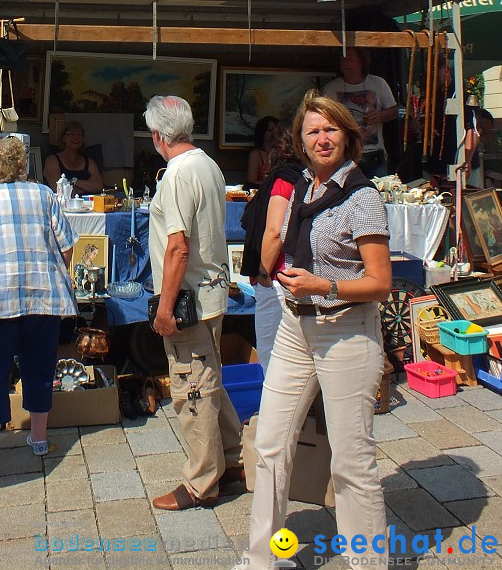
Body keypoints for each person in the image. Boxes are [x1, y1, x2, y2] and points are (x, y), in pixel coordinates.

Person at [241, 93, 391, 570]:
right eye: (313, 131)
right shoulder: (302, 185)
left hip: (345, 331)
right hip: (294, 326)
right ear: (301, 142)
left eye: (331, 129)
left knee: (350, 459)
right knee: (270, 442)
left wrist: (323, 284)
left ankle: (368, 563)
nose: (322, 138)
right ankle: (262, 558)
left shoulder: (362, 197)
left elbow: (381, 283)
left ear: (348, 135)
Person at [0, 135, 77, 477]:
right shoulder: (45, 194)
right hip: (45, 296)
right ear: (23, 165)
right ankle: (38, 439)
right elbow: (67, 249)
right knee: (40, 367)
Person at [144, 94, 244, 511]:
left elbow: (178, 248)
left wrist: (164, 308)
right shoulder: (208, 164)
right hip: (211, 291)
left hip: (189, 300)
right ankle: (234, 461)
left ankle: (203, 482)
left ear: (157, 135)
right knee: (209, 375)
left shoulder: (177, 174)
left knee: (193, 389)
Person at [240, 127, 304, 374]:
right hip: (291, 275)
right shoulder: (305, 178)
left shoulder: (283, 181)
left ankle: (275, 412)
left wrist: (264, 275)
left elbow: (276, 231)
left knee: (271, 354)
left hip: (277, 278)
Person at [323, 47, 397, 177]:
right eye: (342, 59)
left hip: (375, 154)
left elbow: (395, 112)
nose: (344, 63)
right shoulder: (331, 88)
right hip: (345, 155)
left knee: (379, 193)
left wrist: (379, 116)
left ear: (361, 61)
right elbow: (324, 122)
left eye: (349, 58)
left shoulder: (378, 83)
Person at [43, 120, 103, 195]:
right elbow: (58, 189)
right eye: (72, 134)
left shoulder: (89, 162)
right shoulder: (52, 160)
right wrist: (86, 187)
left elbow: (99, 186)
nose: (76, 138)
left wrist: (74, 181)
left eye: (80, 135)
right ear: (63, 138)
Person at [246, 116, 278, 186]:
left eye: (276, 130)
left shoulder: (282, 153)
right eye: (270, 130)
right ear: (262, 132)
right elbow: (251, 182)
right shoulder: (256, 154)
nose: (274, 133)